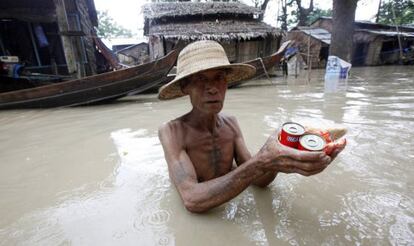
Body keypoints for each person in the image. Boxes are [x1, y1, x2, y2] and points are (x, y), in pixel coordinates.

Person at [158, 40, 346, 213]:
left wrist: (280, 158)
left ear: (226, 82)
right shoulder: (172, 132)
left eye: (219, 77)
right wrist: (263, 161)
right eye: (200, 79)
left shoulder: (230, 124)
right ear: (185, 87)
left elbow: (259, 181)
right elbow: (192, 199)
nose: (213, 88)